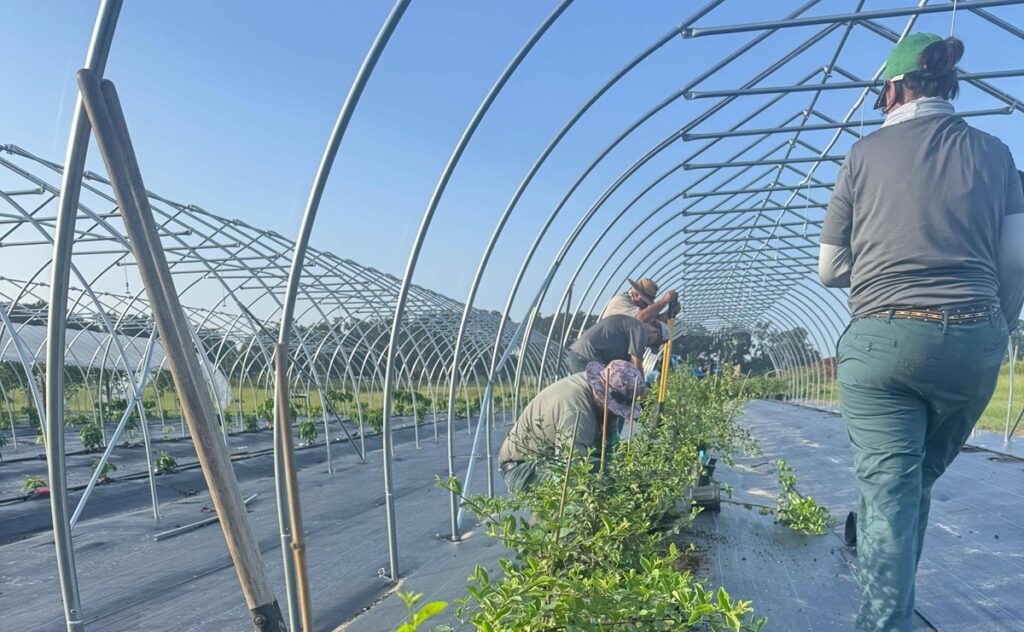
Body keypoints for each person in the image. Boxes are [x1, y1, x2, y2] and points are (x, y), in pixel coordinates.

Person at [819, 33, 1024, 632]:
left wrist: (887, 257)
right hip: (973, 345)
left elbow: (829, 269)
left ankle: (884, 623)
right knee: (909, 485)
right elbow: (1015, 261)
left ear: (892, 89)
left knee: (890, 495)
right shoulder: (996, 153)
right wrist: (994, 326)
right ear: (949, 85)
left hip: (885, 340)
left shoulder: (863, 155)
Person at [498, 359, 646, 492]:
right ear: (600, 392)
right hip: (523, 469)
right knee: (577, 489)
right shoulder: (576, 410)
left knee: (604, 476)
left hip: (552, 460)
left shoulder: (603, 395)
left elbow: (610, 451)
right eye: (614, 408)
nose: (616, 413)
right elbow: (571, 469)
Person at [565, 314, 666, 373]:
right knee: (599, 396)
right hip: (585, 358)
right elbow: (636, 365)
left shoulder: (631, 330)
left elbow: (626, 366)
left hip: (580, 356)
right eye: (653, 343)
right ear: (655, 332)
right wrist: (641, 389)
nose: (647, 346)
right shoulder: (639, 329)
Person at [600, 277, 678, 323]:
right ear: (636, 295)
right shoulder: (620, 301)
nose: (648, 306)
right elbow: (640, 319)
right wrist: (664, 300)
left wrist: (670, 312)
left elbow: (654, 320)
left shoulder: (636, 308)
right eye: (646, 302)